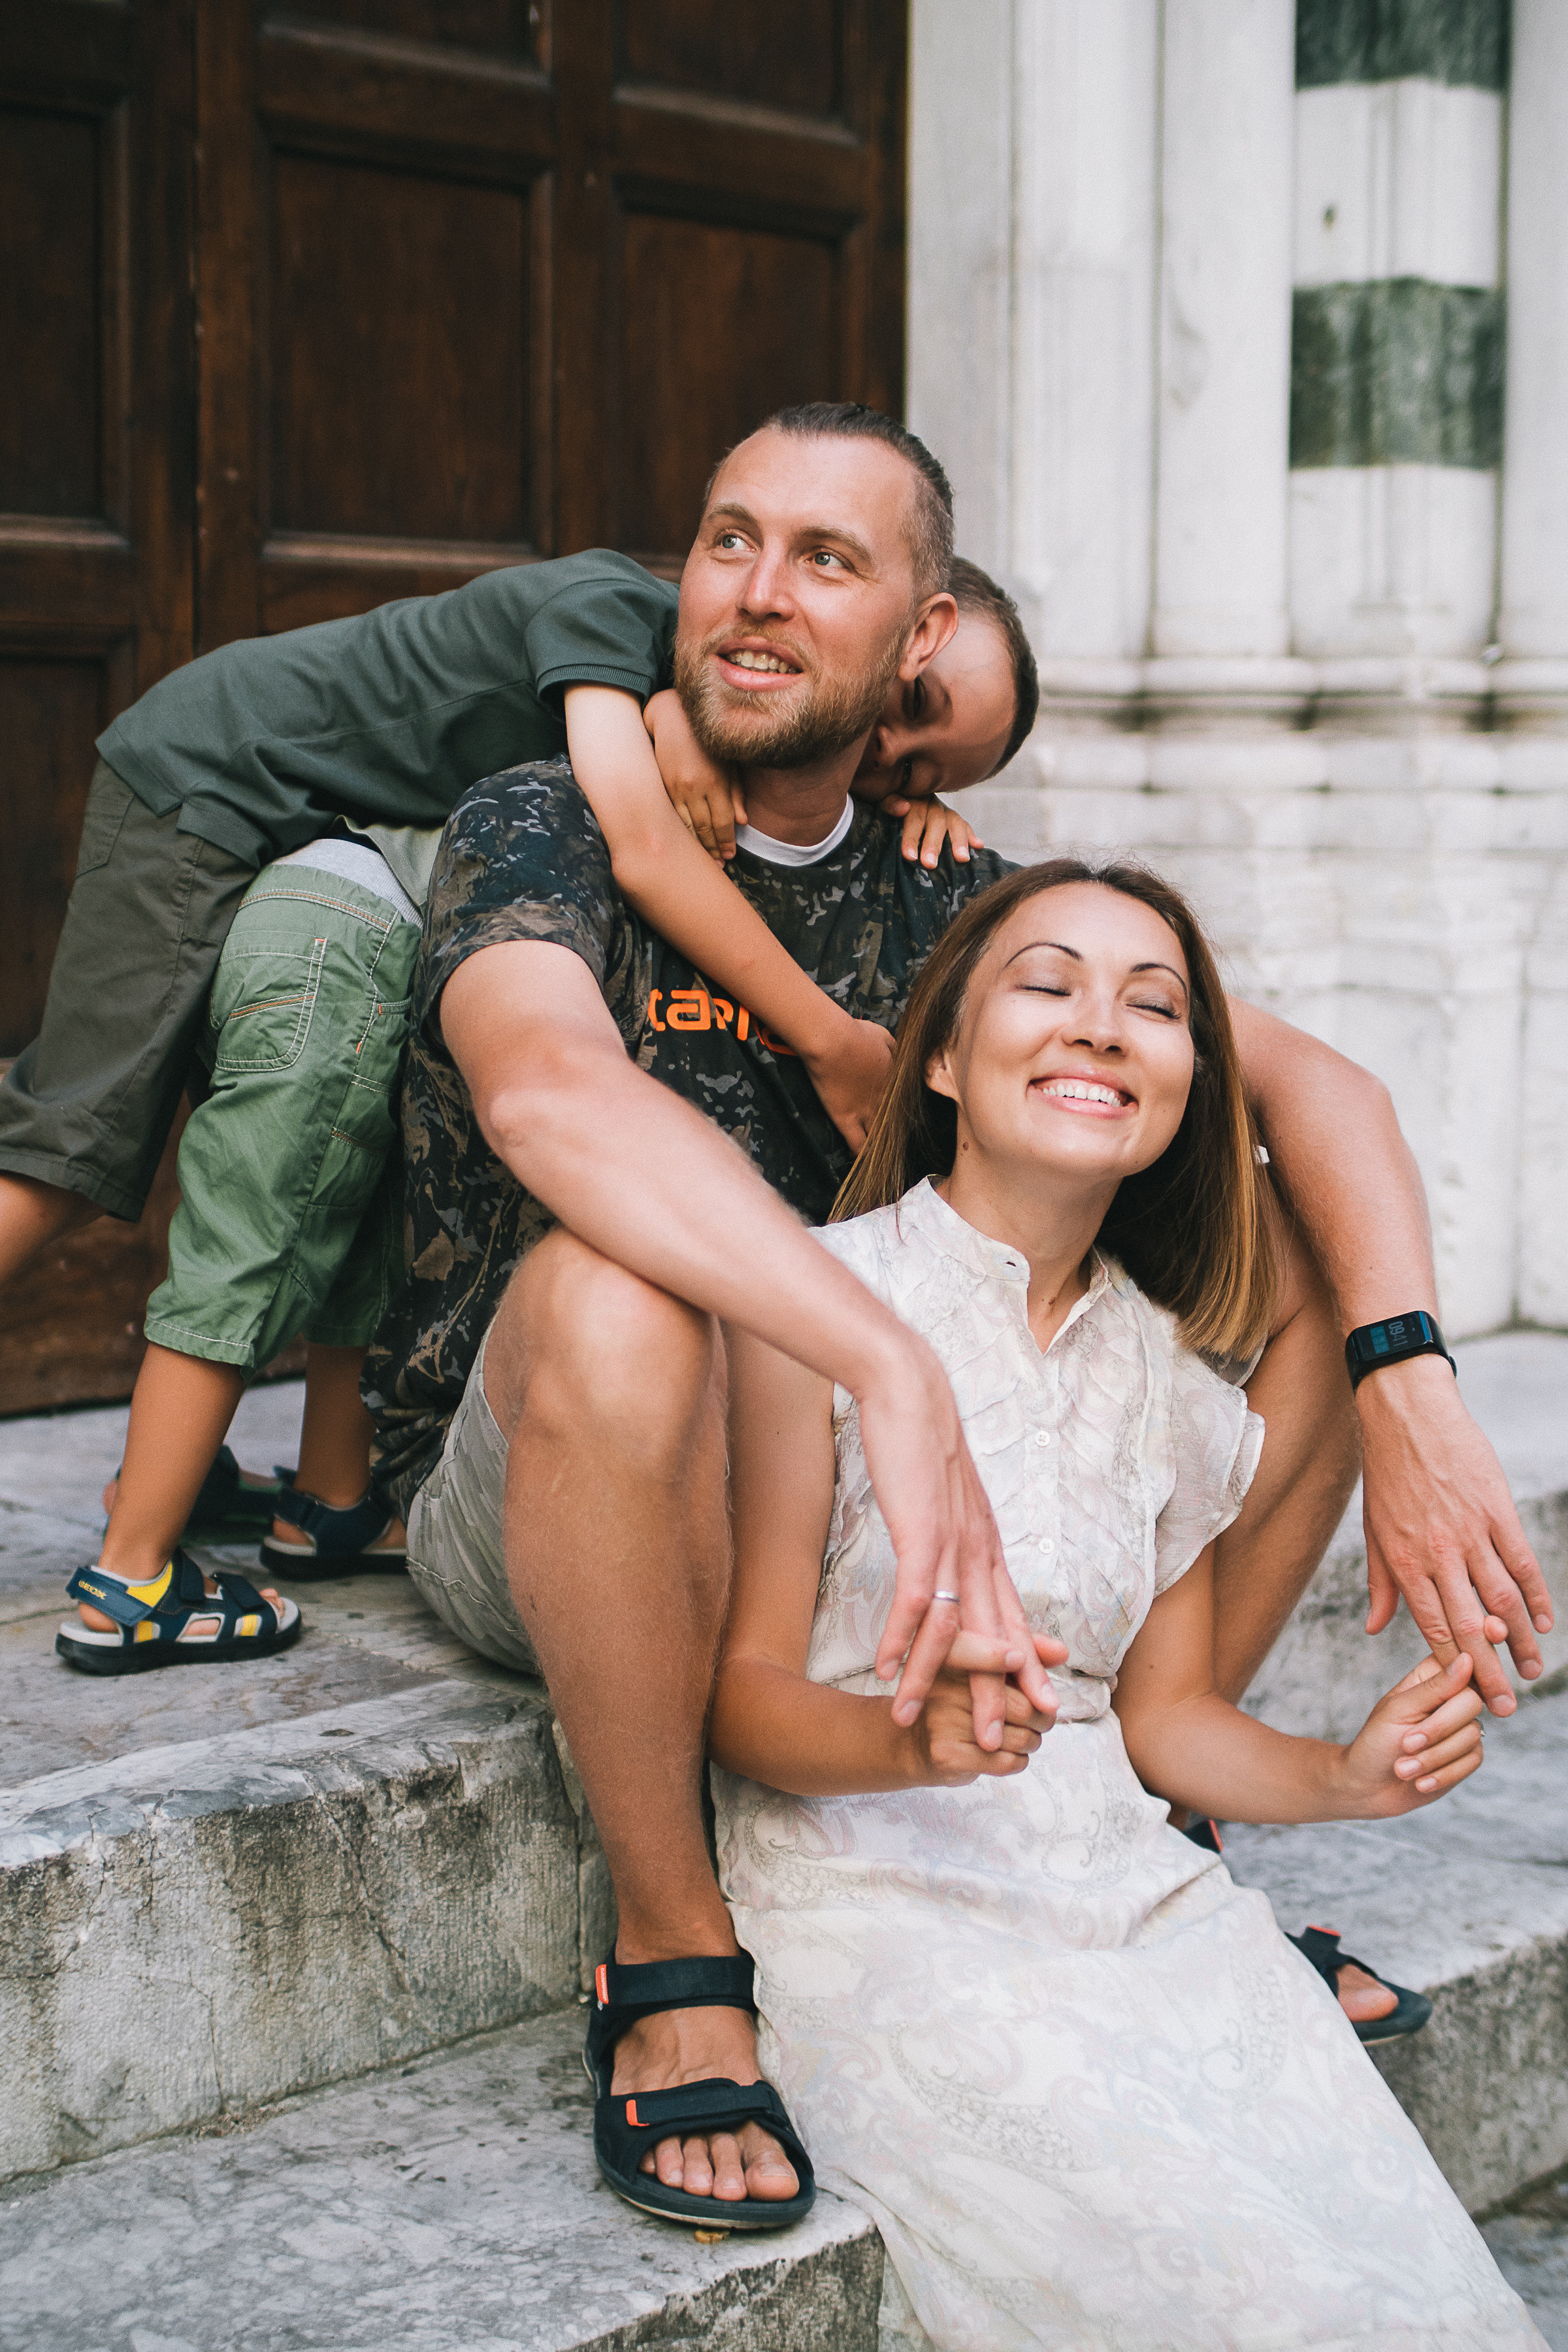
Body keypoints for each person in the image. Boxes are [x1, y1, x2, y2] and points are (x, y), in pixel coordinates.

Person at [361, 400, 1548, 2216]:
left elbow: (1322, 1098)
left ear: (923, 635)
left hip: (842, 1493)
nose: (753, 596)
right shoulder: (549, 816)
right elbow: (545, 1097)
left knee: (1296, 1245)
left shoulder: (959, 898)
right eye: (729, 538)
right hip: (567, 1478)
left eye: (825, 559)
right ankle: (675, 1952)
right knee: (620, 1290)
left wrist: (1410, 1387)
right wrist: (884, 1365)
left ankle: (1143, 1806)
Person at [708, 860, 1544, 2349]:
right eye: (1049, 984)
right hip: (885, 1909)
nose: (1103, 1026)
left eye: (1152, 1008)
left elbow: (1164, 1724)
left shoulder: (1170, 1376)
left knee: (1400, 2292)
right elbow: (746, 1698)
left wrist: (1345, 1780)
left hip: (1144, 1908)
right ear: (945, 1062)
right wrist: (923, 1746)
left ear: (1185, 1092)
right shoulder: (815, 1303)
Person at [41, 525, 988, 1669]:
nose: (892, 761)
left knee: (354, 1171)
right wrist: (833, 1038)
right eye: (910, 718)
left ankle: (329, 1498)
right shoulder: (608, 621)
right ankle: (130, 1573)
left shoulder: (695, 704)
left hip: (351, 880)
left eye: (932, 771)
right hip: (211, 782)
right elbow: (640, 838)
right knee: (83, 1148)